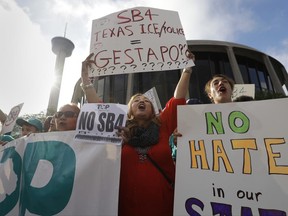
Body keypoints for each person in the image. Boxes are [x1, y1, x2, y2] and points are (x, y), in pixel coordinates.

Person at [81, 52, 194, 216]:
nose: (142, 101)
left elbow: (177, 98)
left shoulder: (163, 124)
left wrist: (187, 70)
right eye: (136, 100)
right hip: (125, 206)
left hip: (164, 205)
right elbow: (97, 107)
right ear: (129, 110)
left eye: (146, 101)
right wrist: (85, 79)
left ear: (153, 109)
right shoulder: (118, 128)